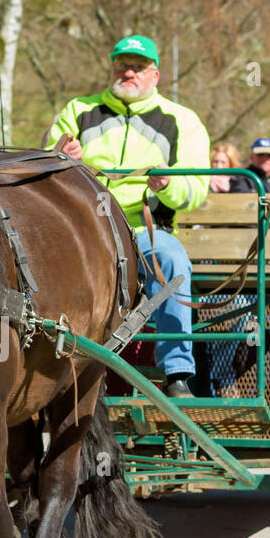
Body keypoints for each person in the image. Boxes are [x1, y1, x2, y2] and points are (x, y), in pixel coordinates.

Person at [44, 34, 210, 397]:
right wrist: (61, 159)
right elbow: (42, 170)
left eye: (138, 67)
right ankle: (44, 371)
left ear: (155, 75)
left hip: (145, 232)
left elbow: (197, 190)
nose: (129, 72)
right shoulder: (77, 111)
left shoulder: (182, 121)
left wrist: (167, 184)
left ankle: (177, 373)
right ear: (112, 68)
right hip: (83, 229)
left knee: (170, 259)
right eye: (122, 65)